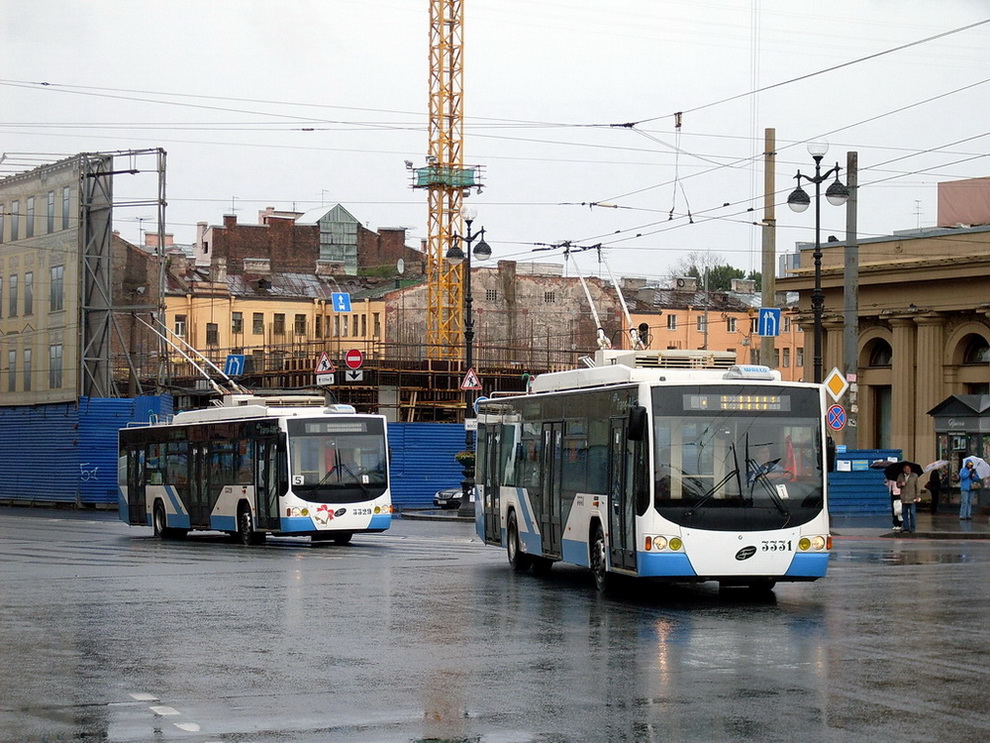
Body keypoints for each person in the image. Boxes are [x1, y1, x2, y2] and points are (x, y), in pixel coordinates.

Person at [896, 464, 920, 533]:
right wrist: (901, 484)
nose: (908, 470)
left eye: (909, 469)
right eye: (906, 469)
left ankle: (912, 527)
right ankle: (905, 526)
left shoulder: (914, 476)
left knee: (912, 513)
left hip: (912, 498)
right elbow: (897, 484)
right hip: (904, 497)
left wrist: (917, 496)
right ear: (904, 469)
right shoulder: (900, 476)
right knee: (904, 513)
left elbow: (917, 487)